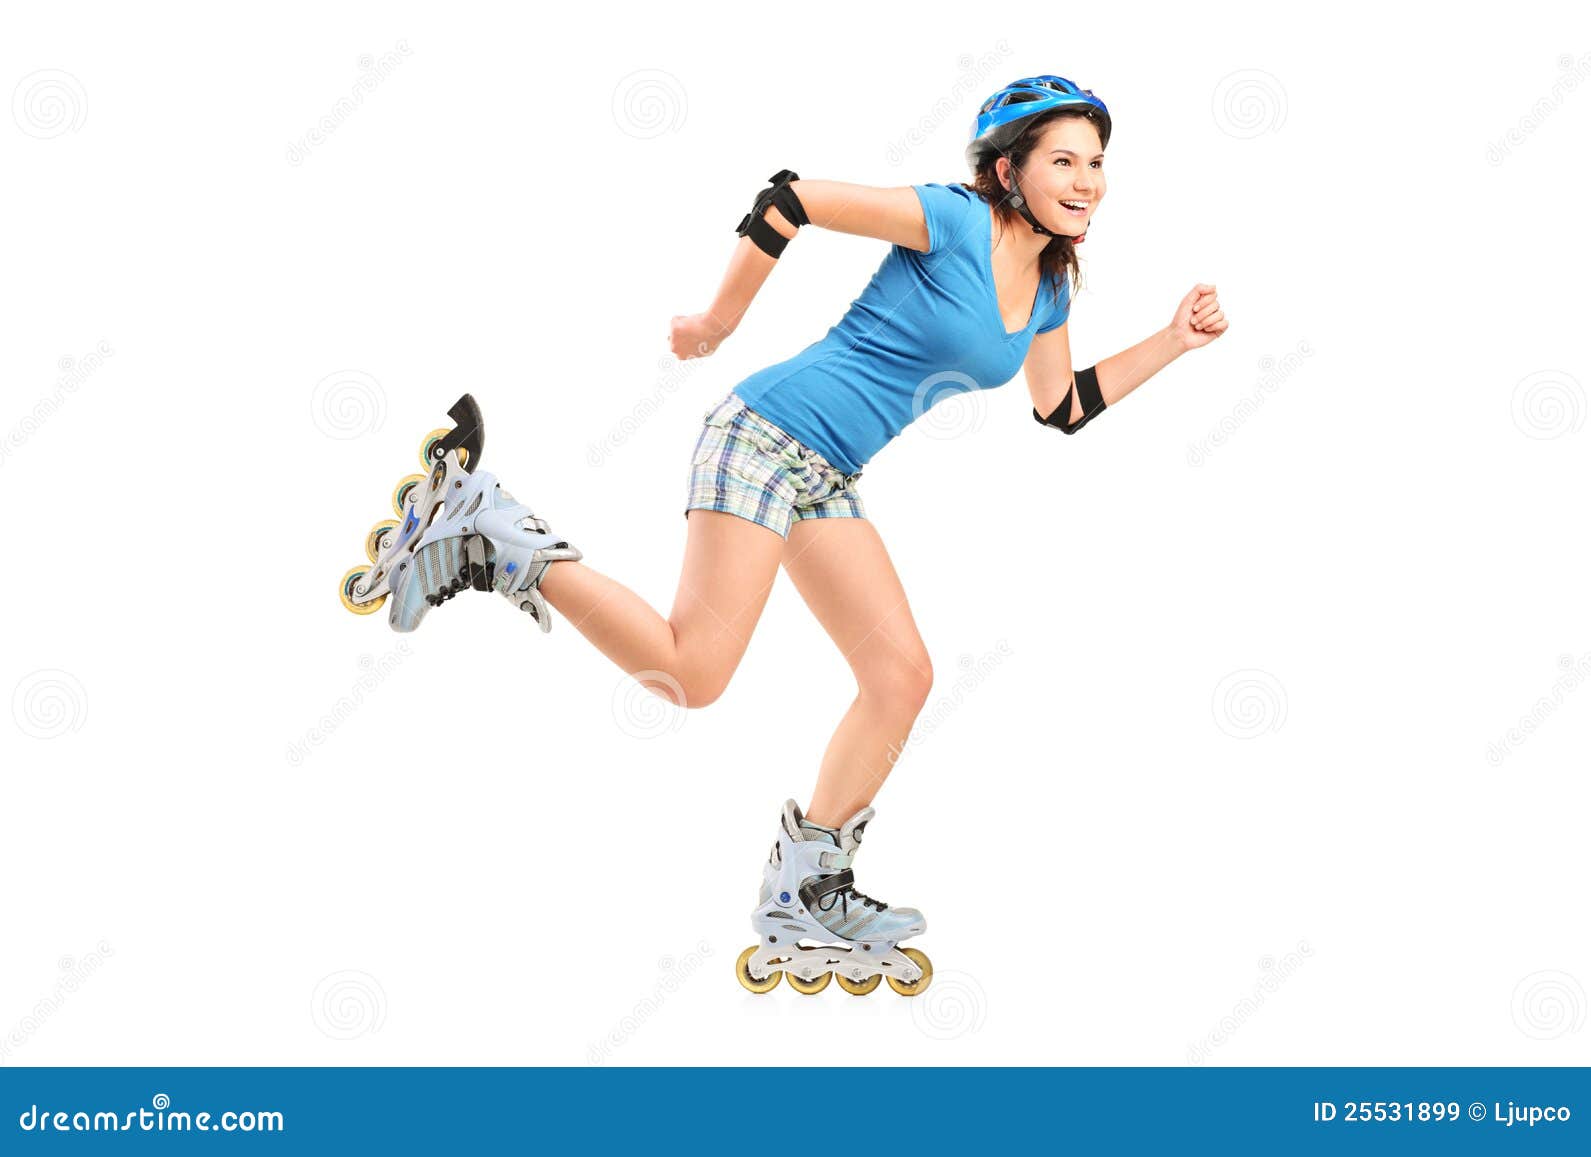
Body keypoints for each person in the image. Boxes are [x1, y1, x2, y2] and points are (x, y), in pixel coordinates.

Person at [346, 75, 1228, 995]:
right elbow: (791, 198)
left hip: (824, 473)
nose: (1088, 180)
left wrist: (1174, 339)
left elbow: (1062, 405)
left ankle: (805, 886)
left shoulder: (1049, 284)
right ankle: (487, 523)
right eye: (1064, 160)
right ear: (1008, 167)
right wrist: (714, 323)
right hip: (765, 433)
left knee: (902, 676)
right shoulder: (952, 219)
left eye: (1095, 163)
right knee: (692, 673)